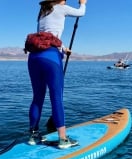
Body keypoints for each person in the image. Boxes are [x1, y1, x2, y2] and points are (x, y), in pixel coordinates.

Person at [26, 0, 87, 149]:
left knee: (37, 98)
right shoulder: (62, 8)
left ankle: (33, 136)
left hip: (34, 57)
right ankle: (63, 140)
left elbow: (45, 36)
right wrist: (83, 3)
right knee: (56, 98)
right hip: (51, 58)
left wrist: (64, 48)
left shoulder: (43, 11)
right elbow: (81, 13)